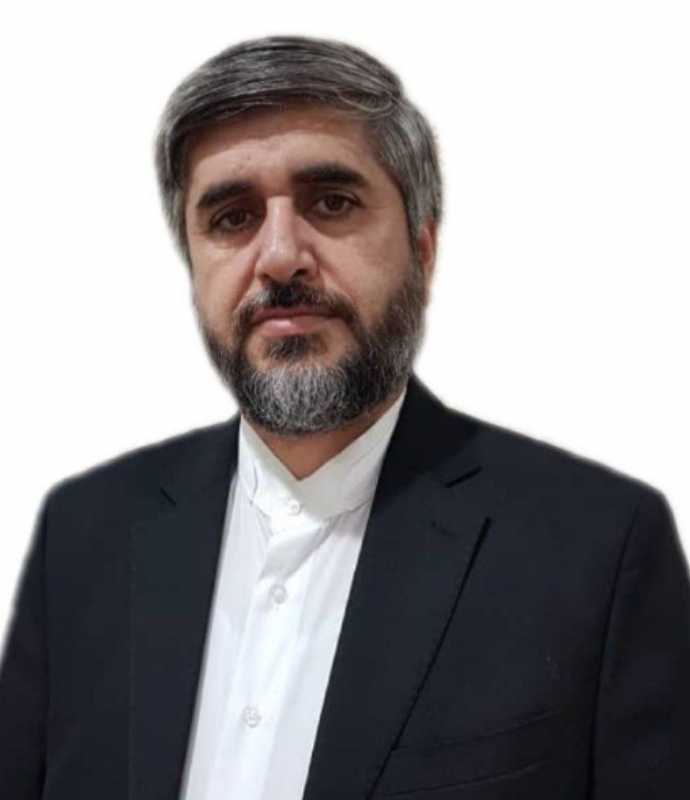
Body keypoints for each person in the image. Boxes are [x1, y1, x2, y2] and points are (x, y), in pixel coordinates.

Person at [1, 34, 688, 800]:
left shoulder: (599, 551)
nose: (279, 257)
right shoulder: (83, 536)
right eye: (231, 217)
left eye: (331, 202)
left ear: (423, 248)